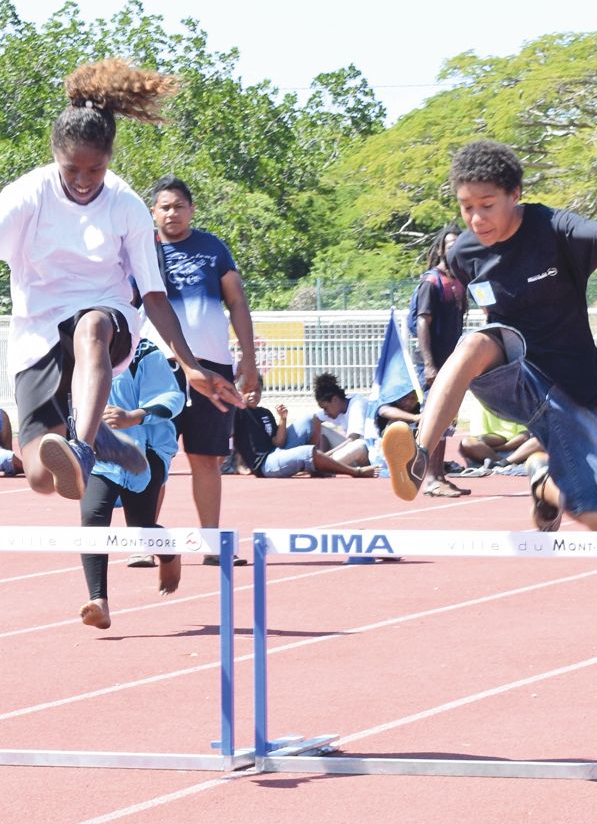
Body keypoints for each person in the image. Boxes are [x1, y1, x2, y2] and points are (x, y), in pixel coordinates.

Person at [0, 60, 240, 504]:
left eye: (93, 171)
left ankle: (86, 444)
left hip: (105, 316)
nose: (81, 181)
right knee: (40, 476)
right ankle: (96, 443)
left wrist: (190, 364)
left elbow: (153, 295)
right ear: (55, 156)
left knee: (92, 326)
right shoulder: (30, 192)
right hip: (37, 329)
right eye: (70, 169)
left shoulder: (126, 206)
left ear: (109, 160)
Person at [382, 140, 597, 531]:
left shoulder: (552, 228)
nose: (476, 219)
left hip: (573, 391)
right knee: (475, 342)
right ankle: (418, 458)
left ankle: (545, 485)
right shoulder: (464, 254)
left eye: (487, 205)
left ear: (515, 195)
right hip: (515, 377)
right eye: (466, 207)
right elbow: (487, 310)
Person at [142, 175, 260, 546]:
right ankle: (143, 542)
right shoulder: (142, 251)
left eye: (179, 206)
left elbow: (237, 302)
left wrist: (250, 361)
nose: (172, 213)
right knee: (151, 456)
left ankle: (211, 544)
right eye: (165, 206)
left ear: (192, 210)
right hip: (159, 368)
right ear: (153, 212)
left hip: (215, 369)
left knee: (207, 458)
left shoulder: (213, 248)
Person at [78, 339, 185, 630]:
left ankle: (169, 552)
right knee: (92, 515)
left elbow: (172, 398)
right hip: (100, 451)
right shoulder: (77, 347)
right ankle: (99, 601)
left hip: (146, 449)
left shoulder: (144, 353)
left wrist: (133, 417)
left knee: (141, 531)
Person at [230, 402, 375, 479]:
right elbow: (230, 435)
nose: (254, 394)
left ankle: (315, 465)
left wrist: (283, 419)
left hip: (277, 451)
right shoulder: (238, 413)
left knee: (309, 420)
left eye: (257, 389)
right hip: (266, 464)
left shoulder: (265, 413)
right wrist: (236, 463)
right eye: (250, 390)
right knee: (307, 453)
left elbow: (278, 442)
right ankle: (355, 472)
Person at [410, 225, 467, 391]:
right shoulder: (431, 282)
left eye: (458, 246)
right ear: (441, 250)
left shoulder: (459, 279)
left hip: (451, 360)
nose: (454, 250)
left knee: (451, 413)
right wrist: (429, 365)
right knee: (432, 411)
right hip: (432, 363)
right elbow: (423, 322)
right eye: (450, 247)